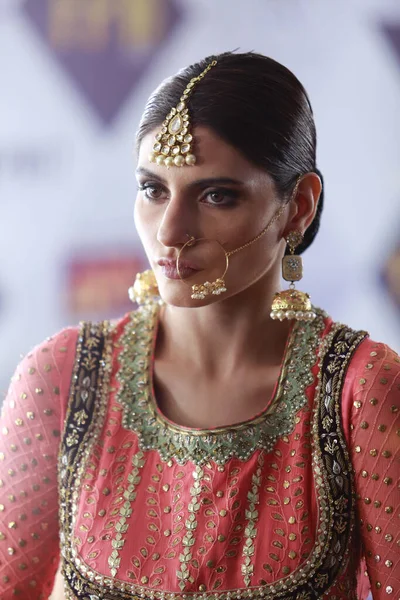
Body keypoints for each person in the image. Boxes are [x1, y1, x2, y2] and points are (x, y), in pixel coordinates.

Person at [0, 51, 398, 600]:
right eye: (152, 190)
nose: (170, 231)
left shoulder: (358, 392)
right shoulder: (64, 380)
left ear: (298, 207)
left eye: (216, 195)